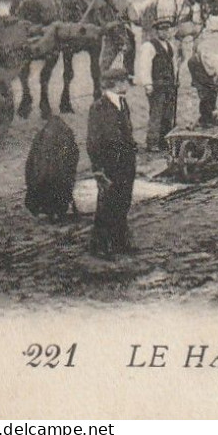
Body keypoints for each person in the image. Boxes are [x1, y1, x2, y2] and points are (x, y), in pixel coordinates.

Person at [87, 66, 138, 259]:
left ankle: (119, 241)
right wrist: (98, 169)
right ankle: (100, 245)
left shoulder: (122, 104)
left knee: (123, 202)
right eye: (125, 81)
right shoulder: (98, 107)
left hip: (125, 163)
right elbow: (93, 141)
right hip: (109, 165)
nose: (127, 84)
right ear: (116, 84)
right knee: (106, 206)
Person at [137, 19, 181, 153]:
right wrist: (147, 84)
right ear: (156, 31)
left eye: (167, 30)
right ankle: (152, 142)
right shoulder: (149, 46)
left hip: (169, 86)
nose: (165, 32)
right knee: (156, 113)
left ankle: (165, 140)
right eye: (162, 30)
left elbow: (173, 64)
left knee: (168, 114)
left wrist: (176, 80)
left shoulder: (170, 46)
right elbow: (145, 66)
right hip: (157, 86)